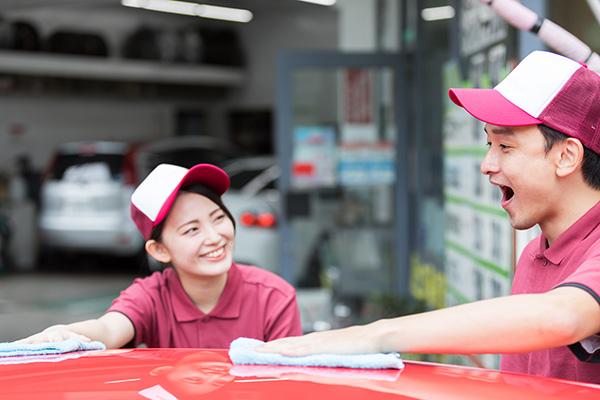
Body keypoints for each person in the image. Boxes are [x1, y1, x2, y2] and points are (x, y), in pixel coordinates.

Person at [258, 50, 600, 384]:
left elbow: (562, 317)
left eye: (506, 147)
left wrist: (373, 335)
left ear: (567, 156)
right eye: (488, 145)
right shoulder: (534, 253)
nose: (487, 165)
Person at [19, 163, 302, 348]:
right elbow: (109, 328)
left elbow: (287, 379)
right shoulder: (151, 296)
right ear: (159, 250)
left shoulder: (273, 297)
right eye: (192, 229)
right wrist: (63, 332)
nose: (215, 237)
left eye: (218, 218)